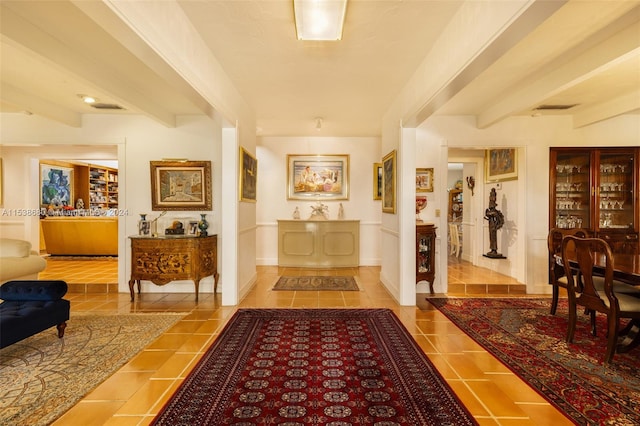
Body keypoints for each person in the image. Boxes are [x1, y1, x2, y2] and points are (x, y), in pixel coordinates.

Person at [484, 188, 505, 257]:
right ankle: (492, 249)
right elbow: (488, 215)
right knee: (491, 237)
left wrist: (497, 224)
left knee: (493, 237)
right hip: (491, 224)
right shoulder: (491, 211)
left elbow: (498, 218)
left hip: (493, 225)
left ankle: (494, 249)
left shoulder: (494, 212)